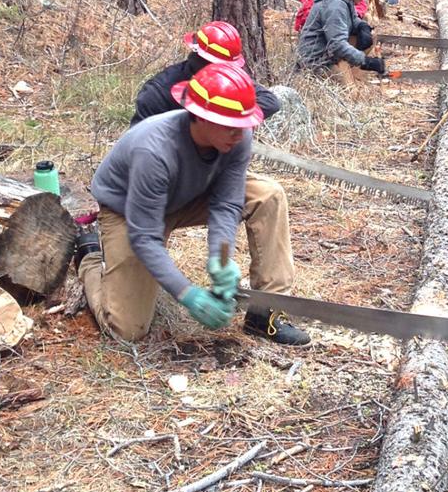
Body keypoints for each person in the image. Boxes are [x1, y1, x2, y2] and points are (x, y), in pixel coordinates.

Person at [74, 63, 310, 346]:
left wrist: (221, 259)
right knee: (128, 329)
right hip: (129, 211)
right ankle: (89, 257)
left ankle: (265, 313)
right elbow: (145, 236)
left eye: (245, 124)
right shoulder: (153, 150)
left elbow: (226, 202)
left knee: (268, 194)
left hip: (189, 193)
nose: (241, 133)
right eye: (232, 126)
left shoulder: (238, 135)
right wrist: (187, 294)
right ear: (201, 117)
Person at [131, 20, 281, 126]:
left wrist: (231, 117)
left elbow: (270, 102)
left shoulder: (227, 84)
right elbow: (139, 142)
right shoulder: (159, 92)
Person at [297, 0, 386, 87]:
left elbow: (352, 19)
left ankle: (355, 76)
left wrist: (362, 26)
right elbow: (337, 46)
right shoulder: (335, 6)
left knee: (371, 35)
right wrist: (366, 62)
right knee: (350, 94)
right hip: (318, 61)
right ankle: (350, 82)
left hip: (329, 52)